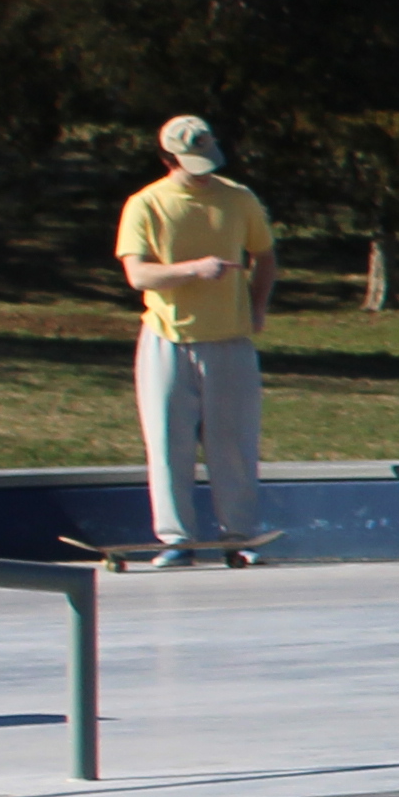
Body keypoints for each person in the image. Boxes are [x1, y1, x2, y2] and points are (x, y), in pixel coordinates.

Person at [109, 114, 274, 568]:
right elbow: (138, 274)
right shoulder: (146, 204)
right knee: (168, 443)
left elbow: (264, 255)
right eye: (189, 163)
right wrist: (193, 270)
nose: (202, 173)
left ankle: (239, 536)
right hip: (167, 338)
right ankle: (176, 538)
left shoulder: (238, 199)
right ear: (168, 159)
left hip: (230, 341)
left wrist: (257, 307)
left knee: (233, 444)